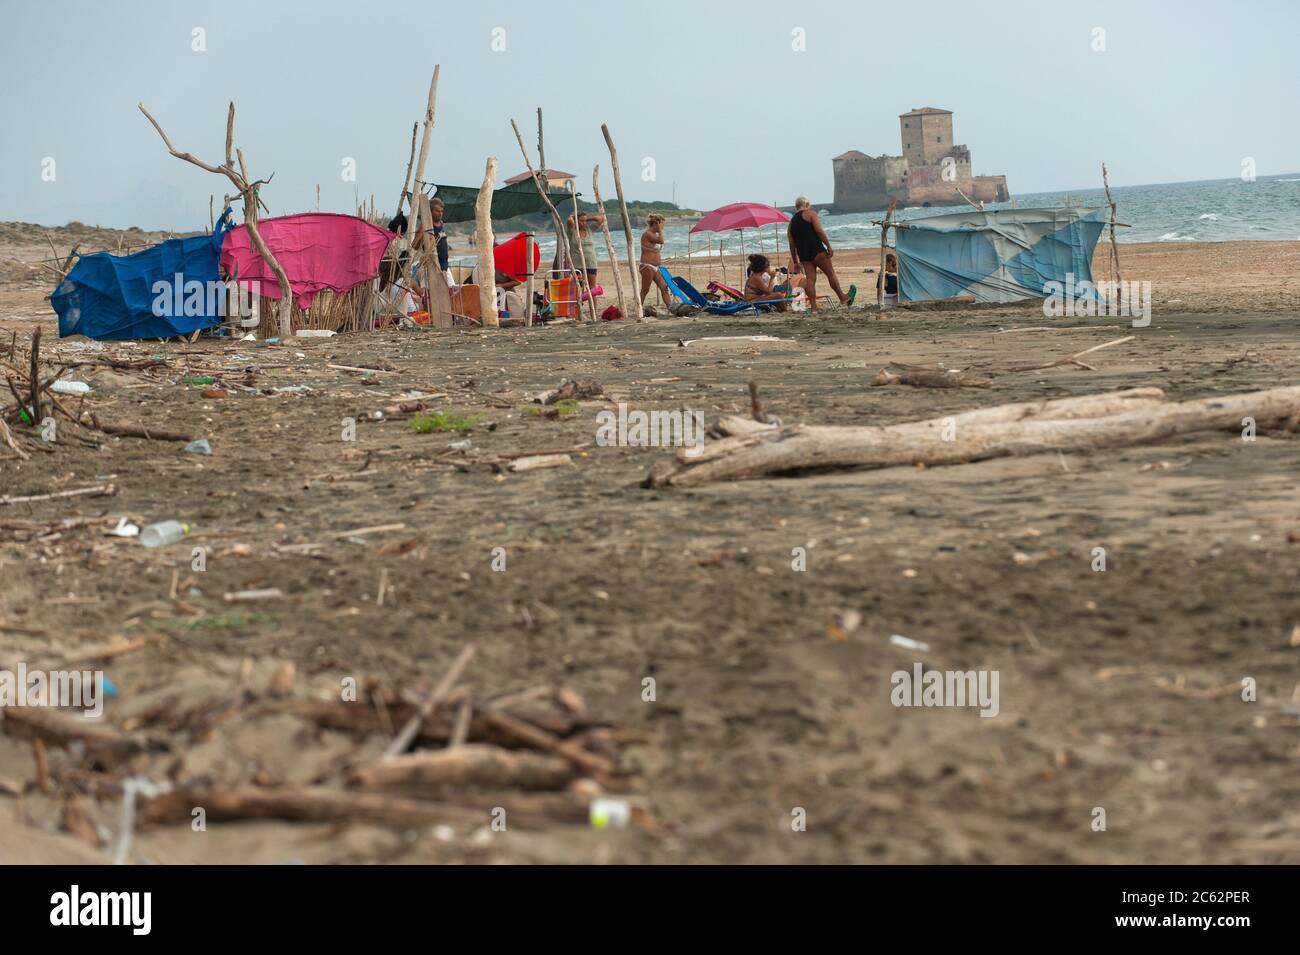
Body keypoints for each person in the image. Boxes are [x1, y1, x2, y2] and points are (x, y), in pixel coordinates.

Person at [787, 196, 854, 311]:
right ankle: (842, 297)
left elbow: (792, 244)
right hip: (817, 250)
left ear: (796, 207)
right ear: (807, 205)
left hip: (804, 255)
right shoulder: (811, 214)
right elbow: (819, 231)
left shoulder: (791, 223)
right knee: (830, 274)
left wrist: (795, 261)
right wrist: (828, 246)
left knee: (811, 280)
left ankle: (813, 307)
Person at [638, 213, 673, 310]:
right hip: (647, 266)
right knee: (645, 289)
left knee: (664, 287)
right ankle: (639, 308)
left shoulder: (654, 234)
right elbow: (661, 241)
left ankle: (670, 308)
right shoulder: (648, 234)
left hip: (655, 267)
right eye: (662, 224)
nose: (663, 227)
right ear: (656, 223)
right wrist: (660, 230)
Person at [565, 209, 603, 296]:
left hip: (591, 264)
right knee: (577, 288)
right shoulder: (572, 232)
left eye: (585, 221)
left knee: (592, 288)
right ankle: (577, 308)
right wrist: (573, 217)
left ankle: (593, 309)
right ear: (576, 221)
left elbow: (601, 219)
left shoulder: (589, 230)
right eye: (581, 221)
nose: (584, 223)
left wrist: (587, 218)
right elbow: (569, 221)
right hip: (577, 265)